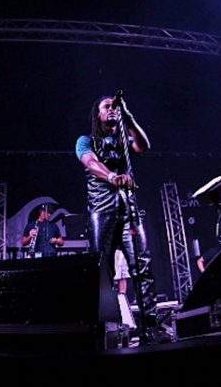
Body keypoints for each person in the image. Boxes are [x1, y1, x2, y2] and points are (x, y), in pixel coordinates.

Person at [75, 94, 168, 344]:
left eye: (114, 106)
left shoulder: (123, 141)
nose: (112, 109)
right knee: (102, 272)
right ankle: (104, 329)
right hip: (101, 211)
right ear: (98, 114)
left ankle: (150, 327)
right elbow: (90, 162)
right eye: (108, 106)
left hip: (129, 212)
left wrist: (129, 117)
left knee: (143, 267)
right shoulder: (86, 141)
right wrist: (112, 176)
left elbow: (144, 146)